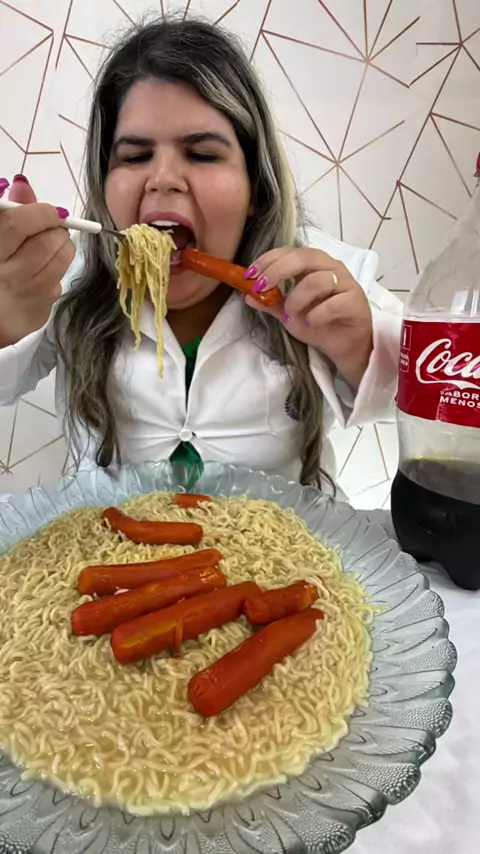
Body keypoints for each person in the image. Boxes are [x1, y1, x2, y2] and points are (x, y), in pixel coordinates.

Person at [0, 18, 402, 495]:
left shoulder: (320, 274)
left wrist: (360, 349)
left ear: (255, 187)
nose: (163, 178)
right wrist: (6, 321)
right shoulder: (64, 275)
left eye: (203, 154)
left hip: (285, 541)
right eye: (135, 157)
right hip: (106, 538)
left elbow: (439, 402)